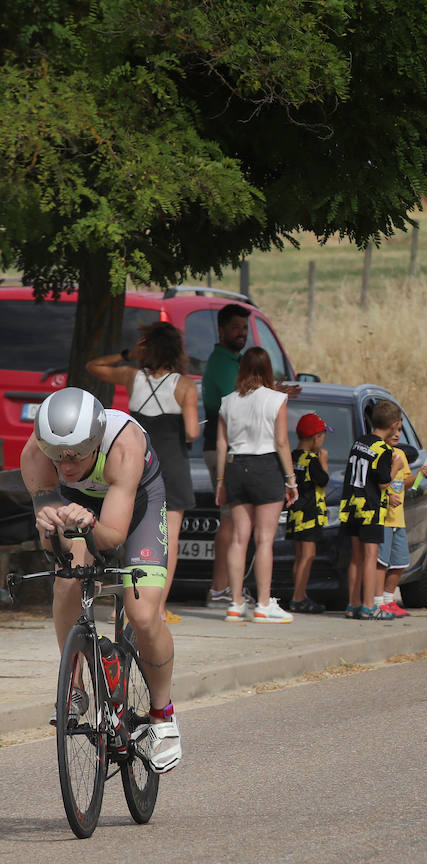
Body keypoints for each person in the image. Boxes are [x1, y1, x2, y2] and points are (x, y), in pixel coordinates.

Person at [20, 387, 181, 773]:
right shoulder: (36, 453)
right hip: (76, 504)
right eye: (58, 455)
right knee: (66, 581)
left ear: (95, 441)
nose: (66, 462)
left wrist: (88, 522)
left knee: (143, 615)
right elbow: (52, 539)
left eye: (76, 453)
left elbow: (112, 537)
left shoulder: (124, 445)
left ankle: (163, 715)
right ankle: (73, 685)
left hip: (137, 502)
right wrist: (49, 523)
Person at [87, 321, 200, 625]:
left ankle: (119, 607)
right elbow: (191, 432)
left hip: (135, 463)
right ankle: (157, 607)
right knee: (168, 539)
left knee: (128, 532)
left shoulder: (130, 376)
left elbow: (93, 365)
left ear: (147, 349)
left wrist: (126, 354)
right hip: (172, 466)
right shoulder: (185, 386)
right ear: (176, 350)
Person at [216, 347, 299, 623]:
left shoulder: (228, 401)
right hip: (266, 466)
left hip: (236, 467)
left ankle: (235, 603)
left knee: (239, 538)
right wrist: (291, 479)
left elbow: (221, 444)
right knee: (264, 539)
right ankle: (263, 604)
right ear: (267, 369)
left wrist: (220, 480)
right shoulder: (277, 399)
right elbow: (282, 442)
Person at [201, 303, 251, 609]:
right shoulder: (222, 363)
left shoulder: (235, 360)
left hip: (230, 448)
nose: (241, 334)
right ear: (221, 330)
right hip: (223, 449)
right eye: (235, 328)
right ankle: (220, 587)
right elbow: (239, 404)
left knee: (232, 520)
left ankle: (222, 587)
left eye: (244, 329)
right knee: (231, 521)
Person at [340, 400, 403, 620]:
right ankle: (369, 606)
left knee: (355, 557)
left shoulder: (359, 442)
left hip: (351, 505)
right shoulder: (383, 449)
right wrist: (395, 466)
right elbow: (384, 482)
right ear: (394, 425)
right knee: (370, 557)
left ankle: (352, 604)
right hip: (370, 508)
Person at [376, 425, 427, 618]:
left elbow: (406, 484)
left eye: (400, 429)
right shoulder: (381, 454)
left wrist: (419, 476)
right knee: (381, 562)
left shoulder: (400, 454)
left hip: (398, 519)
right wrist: (388, 496)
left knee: (400, 562)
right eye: (393, 429)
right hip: (384, 519)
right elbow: (377, 483)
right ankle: (379, 601)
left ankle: (389, 598)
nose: (397, 434)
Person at [285, 412, 332, 614]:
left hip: (296, 514)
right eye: (322, 437)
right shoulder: (312, 460)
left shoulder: (292, 457)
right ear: (315, 438)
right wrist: (324, 461)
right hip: (310, 514)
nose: (322, 441)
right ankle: (298, 598)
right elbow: (323, 480)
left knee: (300, 556)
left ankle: (300, 593)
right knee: (308, 555)